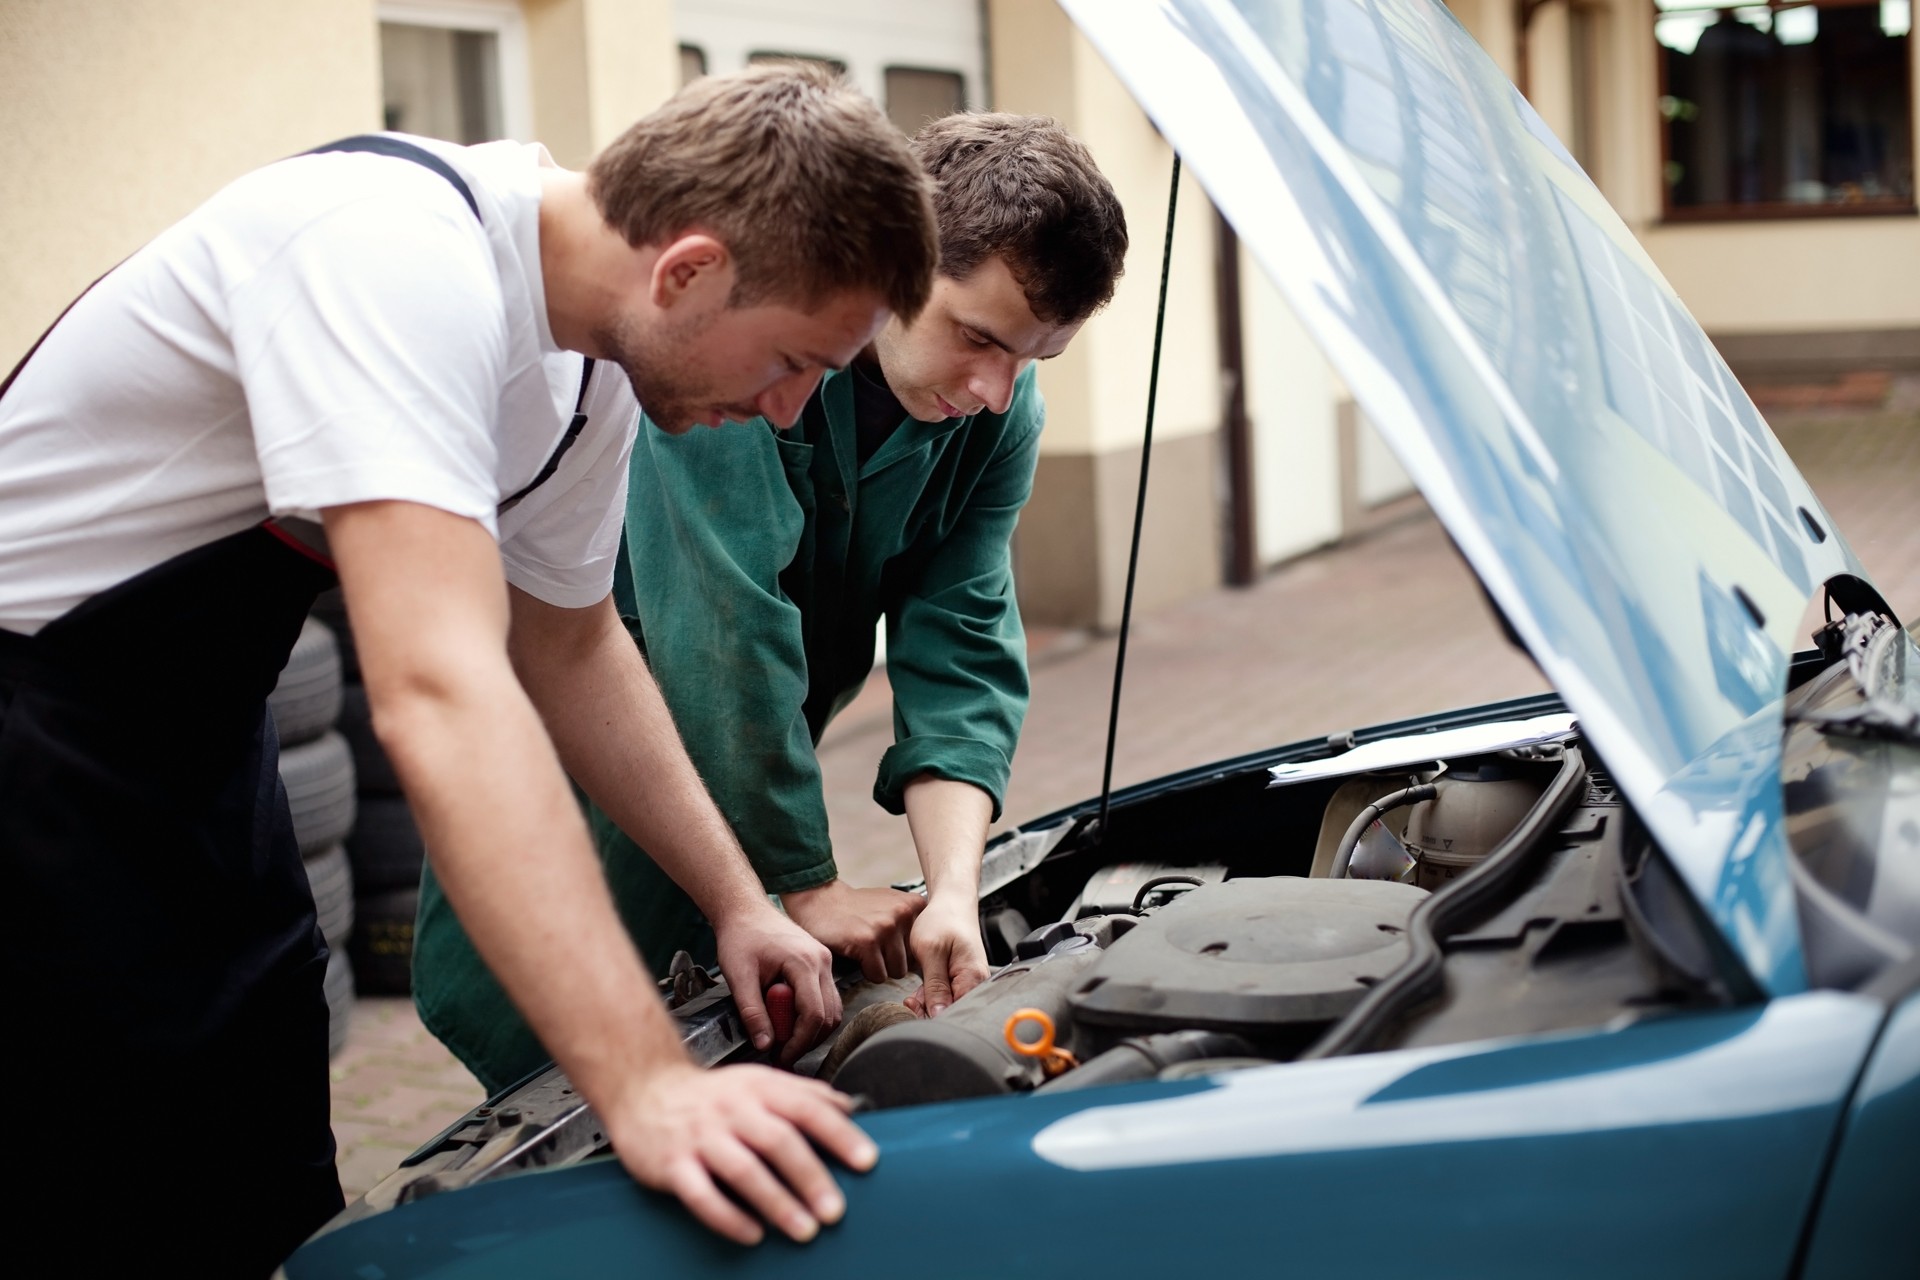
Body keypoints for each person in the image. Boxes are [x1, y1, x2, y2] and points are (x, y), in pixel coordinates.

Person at [0, 65, 936, 1274]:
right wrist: (644, 1082)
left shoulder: (587, 372)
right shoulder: (389, 252)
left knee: (265, 1153)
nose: (789, 409)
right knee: (87, 1174)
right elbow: (441, 692)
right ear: (690, 268)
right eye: (796, 358)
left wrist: (739, 899)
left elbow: (572, 645)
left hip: (198, 739)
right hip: (33, 727)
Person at [414, 112, 1129, 1092]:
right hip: (593, 761)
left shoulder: (993, 416)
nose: (997, 390)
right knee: (556, 1074)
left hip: (746, 778)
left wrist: (953, 892)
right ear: (904, 262)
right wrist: (807, 880)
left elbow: (960, 639)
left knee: (716, 1028)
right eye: (979, 337)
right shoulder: (748, 352)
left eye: (1030, 360)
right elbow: (724, 629)